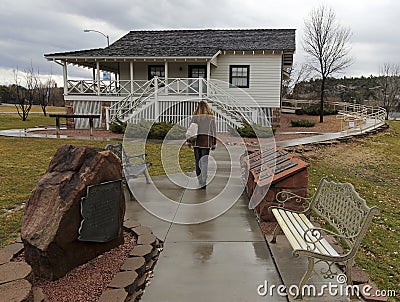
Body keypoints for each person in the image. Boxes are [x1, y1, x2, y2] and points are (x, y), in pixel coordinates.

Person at [187, 101, 217, 189]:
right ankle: (204, 181)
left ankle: (200, 180)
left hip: (196, 142)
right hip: (206, 143)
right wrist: (214, 143)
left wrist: (189, 141)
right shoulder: (210, 117)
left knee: (197, 162)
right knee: (204, 162)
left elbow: (191, 130)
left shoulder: (195, 117)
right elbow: (213, 131)